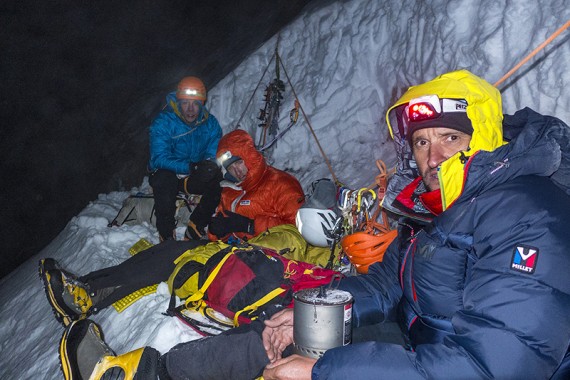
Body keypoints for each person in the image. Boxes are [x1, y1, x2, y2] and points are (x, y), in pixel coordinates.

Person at [56, 69, 570, 379]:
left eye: (448, 138)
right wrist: (312, 312)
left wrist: (325, 370)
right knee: (287, 331)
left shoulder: (529, 213)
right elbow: (387, 282)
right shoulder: (434, 209)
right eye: (420, 141)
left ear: (479, 136)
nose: (432, 155)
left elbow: (497, 367)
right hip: (422, 349)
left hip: (453, 367)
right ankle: (150, 373)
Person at [40, 129, 305, 327]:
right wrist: (216, 229)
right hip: (227, 249)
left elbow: (300, 232)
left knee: (169, 261)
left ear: (250, 156)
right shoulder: (232, 191)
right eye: (230, 166)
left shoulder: (281, 184)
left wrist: (249, 224)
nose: (236, 170)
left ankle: (89, 300)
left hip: (253, 261)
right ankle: (87, 283)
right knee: (165, 250)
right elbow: (219, 231)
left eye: (238, 161)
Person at [148, 76, 223, 241]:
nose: (190, 109)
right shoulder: (163, 123)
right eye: (185, 103)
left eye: (195, 103)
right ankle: (166, 233)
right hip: (170, 176)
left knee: (218, 177)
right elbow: (158, 159)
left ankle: (196, 225)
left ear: (202, 104)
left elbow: (212, 153)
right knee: (163, 177)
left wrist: (208, 166)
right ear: (178, 102)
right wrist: (190, 167)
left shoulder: (210, 125)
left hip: (191, 179)